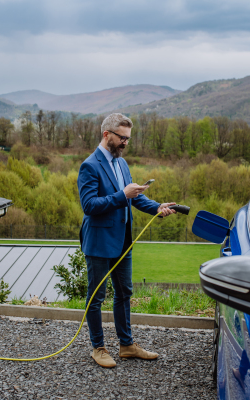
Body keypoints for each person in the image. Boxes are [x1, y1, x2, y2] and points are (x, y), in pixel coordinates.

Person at [77, 113, 176, 368]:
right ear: (106, 135)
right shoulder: (90, 165)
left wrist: (156, 207)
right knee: (97, 297)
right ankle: (98, 348)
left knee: (124, 292)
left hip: (123, 241)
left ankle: (127, 345)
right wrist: (122, 195)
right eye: (122, 138)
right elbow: (89, 205)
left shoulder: (122, 163)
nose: (125, 143)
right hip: (99, 242)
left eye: (128, 139)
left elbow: (133, 197)